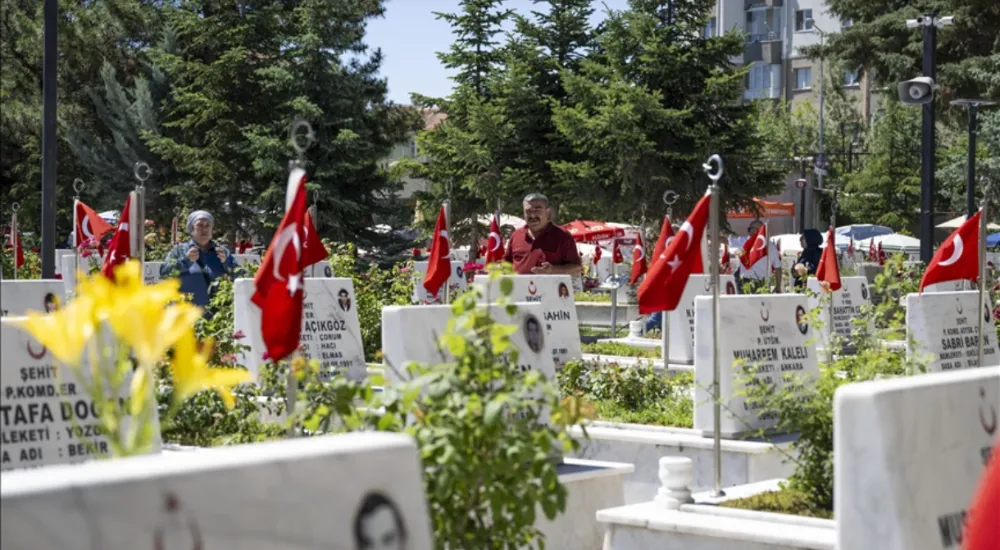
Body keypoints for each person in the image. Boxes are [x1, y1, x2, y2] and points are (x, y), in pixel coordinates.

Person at [160, 210, 240, 309]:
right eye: (200, 225)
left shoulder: (222, 252)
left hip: (215, 318)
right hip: (187, 314)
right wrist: (186, 260)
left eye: (208, 225)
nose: (204, 229)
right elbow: (165, 273)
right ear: (191, 229)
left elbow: (241, 276)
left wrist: (226, 263)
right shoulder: (179, 251)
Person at [504, 193, 582, 276]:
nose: (532, 215)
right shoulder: (516, 235)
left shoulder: (563, 235)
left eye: (537, 210)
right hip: (519, 288)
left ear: (547, 212)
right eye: (528, 211)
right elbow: (506, 265)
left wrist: (554, 270)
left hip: (551, 288)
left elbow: (576, 269)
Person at [735, 220, 782, 291]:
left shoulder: (770, 247)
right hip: (745, 282)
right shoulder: (747, 243)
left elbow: (778, 267)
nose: (749, 231)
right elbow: (778, 268)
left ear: (758, 230)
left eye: (750, 229)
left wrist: (778, 286)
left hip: (760, 283)